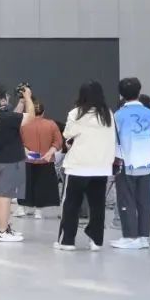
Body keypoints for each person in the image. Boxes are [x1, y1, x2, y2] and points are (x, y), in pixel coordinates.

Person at [57, 80, 116, 251]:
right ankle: (96, 241)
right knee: (97, 206)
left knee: (71, 204)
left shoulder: (76, 113)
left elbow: (67, 134)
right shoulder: (108, 114)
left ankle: (67, 241)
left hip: (78, 166)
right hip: (102, 167)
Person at [111, 77, 150, 249]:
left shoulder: (118, 115)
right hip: (148, 162)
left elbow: (114, 140)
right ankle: (144, 236)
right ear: (139, 92)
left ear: (121, 94)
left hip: (127, 162)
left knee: (126, 199)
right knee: (144, 200)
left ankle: (130, 237)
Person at [0, 84, 34, 243]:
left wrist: (21, 102)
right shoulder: (6, 118)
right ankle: (2, 231)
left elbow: (14, 118)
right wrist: (28, 98)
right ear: (1, 100)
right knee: (5, 197)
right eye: (5, 96)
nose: (8, 98)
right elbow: (30, 117)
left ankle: (4, 227)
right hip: (10, 161)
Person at [15, 100, 63, 219]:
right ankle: (38, 211)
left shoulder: (23, 124)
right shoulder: (51, 124)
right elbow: (58, 141)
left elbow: (17, 141)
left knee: (24, 184)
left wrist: (27, 151)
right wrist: (50, 152)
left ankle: (21, 209)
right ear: (43, 112)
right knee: (42, 185)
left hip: (27, 158)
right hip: (45, 159)